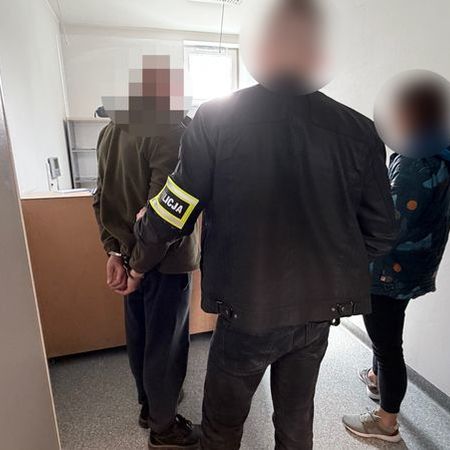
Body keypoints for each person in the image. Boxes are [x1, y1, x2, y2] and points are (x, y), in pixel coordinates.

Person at [119, 1, 397, 448]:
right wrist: (327, 263)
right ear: (320, 51)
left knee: (223, 425)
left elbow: (174, 210)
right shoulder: (360, 131)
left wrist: (140, 243)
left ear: (261, 47)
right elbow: (382, 233)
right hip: (316, 313)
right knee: (296, 420)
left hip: (245, 307)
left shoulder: (216, 118)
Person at [343, 75, 450, 443]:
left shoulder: (413, 162)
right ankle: (376, 379)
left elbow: (387, 225)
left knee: (388, 346)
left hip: (390, 270)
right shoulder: (441, 153)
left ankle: (386, 422)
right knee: (388, 335)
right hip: (415, 265)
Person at [93, 101, 201, 448]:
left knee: (140, 337)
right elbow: (167, 216)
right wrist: (138, 268)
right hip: (164, 261)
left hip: (129, 255)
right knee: (166, 345)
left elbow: (101, 198)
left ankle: (149, 407)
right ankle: (164, 427)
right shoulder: (170, 132)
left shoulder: (110, 131)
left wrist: (114, 252)